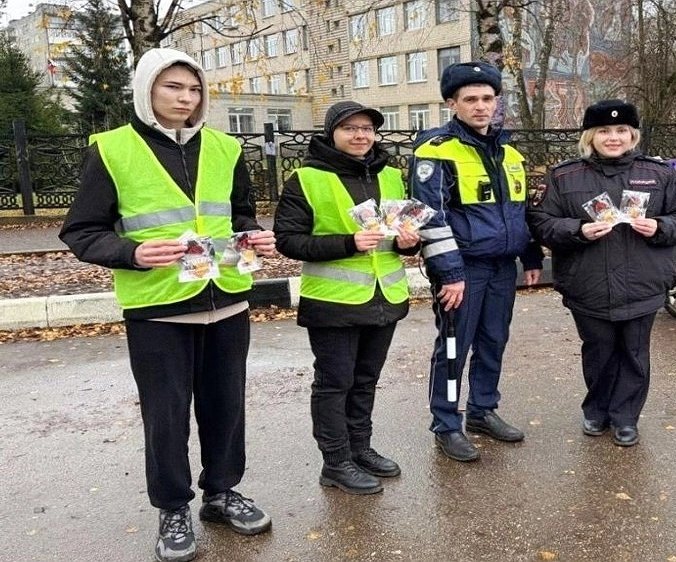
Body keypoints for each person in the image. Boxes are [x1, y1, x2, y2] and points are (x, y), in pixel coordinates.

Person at [59, 48, 274, 562]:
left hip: (227, 303)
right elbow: (82, 230)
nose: (186, 98)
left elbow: (239, 213)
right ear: (147, 91)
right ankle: (173, 506)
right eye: (173, 87)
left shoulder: (224, 147)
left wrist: (254, 237)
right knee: (167, 415)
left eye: (195, 89)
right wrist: (131, 252)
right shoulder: (112, 150)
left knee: (227, 408)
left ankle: (220, 494)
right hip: (158, 311)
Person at [526, 99, 676, 447]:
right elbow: (541, 222)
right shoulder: (564, 175)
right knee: (599, 351)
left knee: (635, 355)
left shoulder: (659, 173)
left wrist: (660, 226)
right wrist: (578, 230)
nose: (613, 137)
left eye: (622, 130)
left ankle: (626, 418)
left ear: (633, 135)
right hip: (587, 285)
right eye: (604, 131)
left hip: (643, 285)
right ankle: (597, 410)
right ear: (590, 136)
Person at [273, 101, 421, 494]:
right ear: (331, 133)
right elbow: (288, 240)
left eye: (367, 128)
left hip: (384, 296)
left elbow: (397, 233)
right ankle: (335, 461)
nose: (360, 135)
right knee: (334, 382)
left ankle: (361, 448)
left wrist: (409, 242)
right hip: (333, 302)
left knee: (366, 380)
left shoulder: (390, 175)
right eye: (350, 128)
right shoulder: (306, 178)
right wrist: (347, 242)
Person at [408, 61, 544, 462]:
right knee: (453, 346)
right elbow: (429, 217)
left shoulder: (510, 154)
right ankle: (447, 423)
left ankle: (483, 411)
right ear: (453, 103)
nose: (481, 107)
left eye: (487, 98)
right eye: (470, 99)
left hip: (503, 267)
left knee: (492, 342)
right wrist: (449, 273)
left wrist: (531, 253)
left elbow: (520, 211)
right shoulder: (435, 151)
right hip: (461, 269)